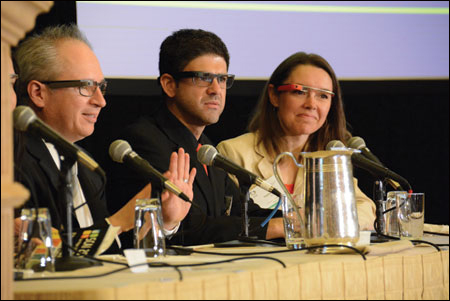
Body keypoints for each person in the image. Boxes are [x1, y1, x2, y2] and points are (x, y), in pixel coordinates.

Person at [13, 24, 195, 242]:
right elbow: (39, 255)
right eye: (86, 86)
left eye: (101, 87)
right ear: (38, 93)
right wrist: (120, 221)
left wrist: (164, 222)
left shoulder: (87, 167)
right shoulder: (14, 162)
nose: (101, 101)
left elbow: (107, 251)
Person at [106, 29, 284, 247]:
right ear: (169, 84)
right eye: (203, 78)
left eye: (222, 79)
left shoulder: (207, 148)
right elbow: (190, 227)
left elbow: (241, 211)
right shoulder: (144, 141)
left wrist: (296, 217)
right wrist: (276, 227)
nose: (216, 90)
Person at [217, 52, 376, 230]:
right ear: (274, 95)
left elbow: (365, 207)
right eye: (299, 92)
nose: (311, 104)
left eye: (323, 95)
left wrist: (328, 223)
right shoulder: (233, 153)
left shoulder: (330, 158)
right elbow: (228, 220)